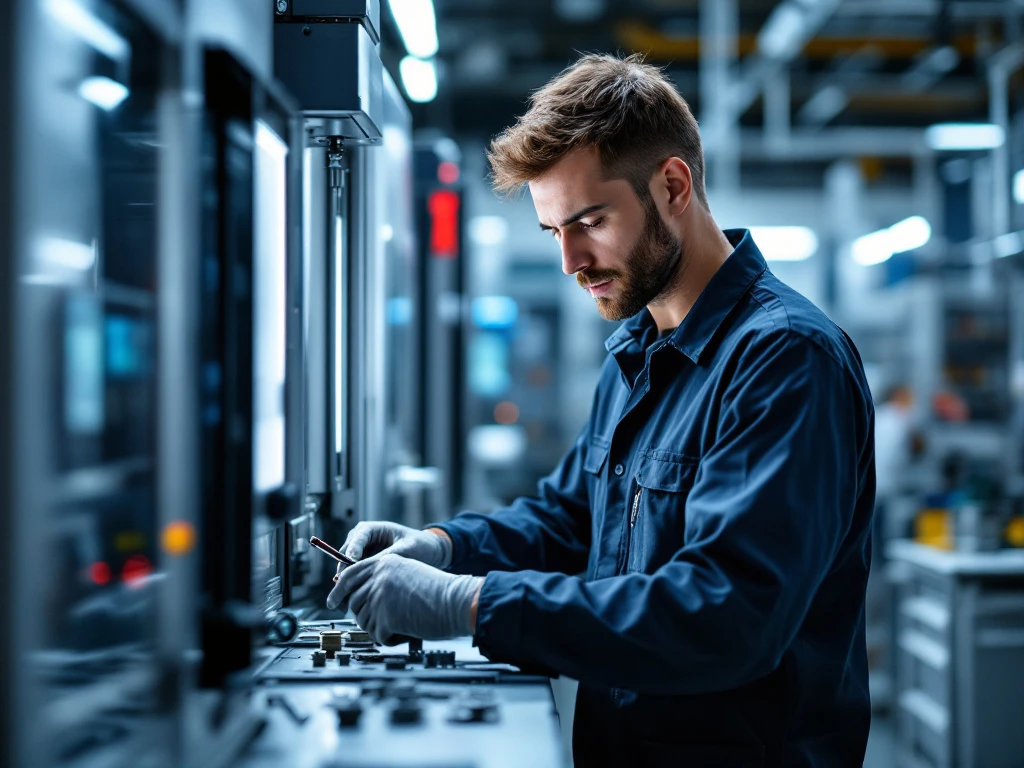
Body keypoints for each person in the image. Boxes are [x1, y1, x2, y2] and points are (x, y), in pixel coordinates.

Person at [328, 53, 876, 767]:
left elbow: (725, 614)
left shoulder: (785, 362)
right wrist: (443, 547)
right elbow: (571, 519)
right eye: (555, 232)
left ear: (672, 185)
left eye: (589, 221)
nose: (571, 261)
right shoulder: (637, 353)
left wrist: (468, 603)